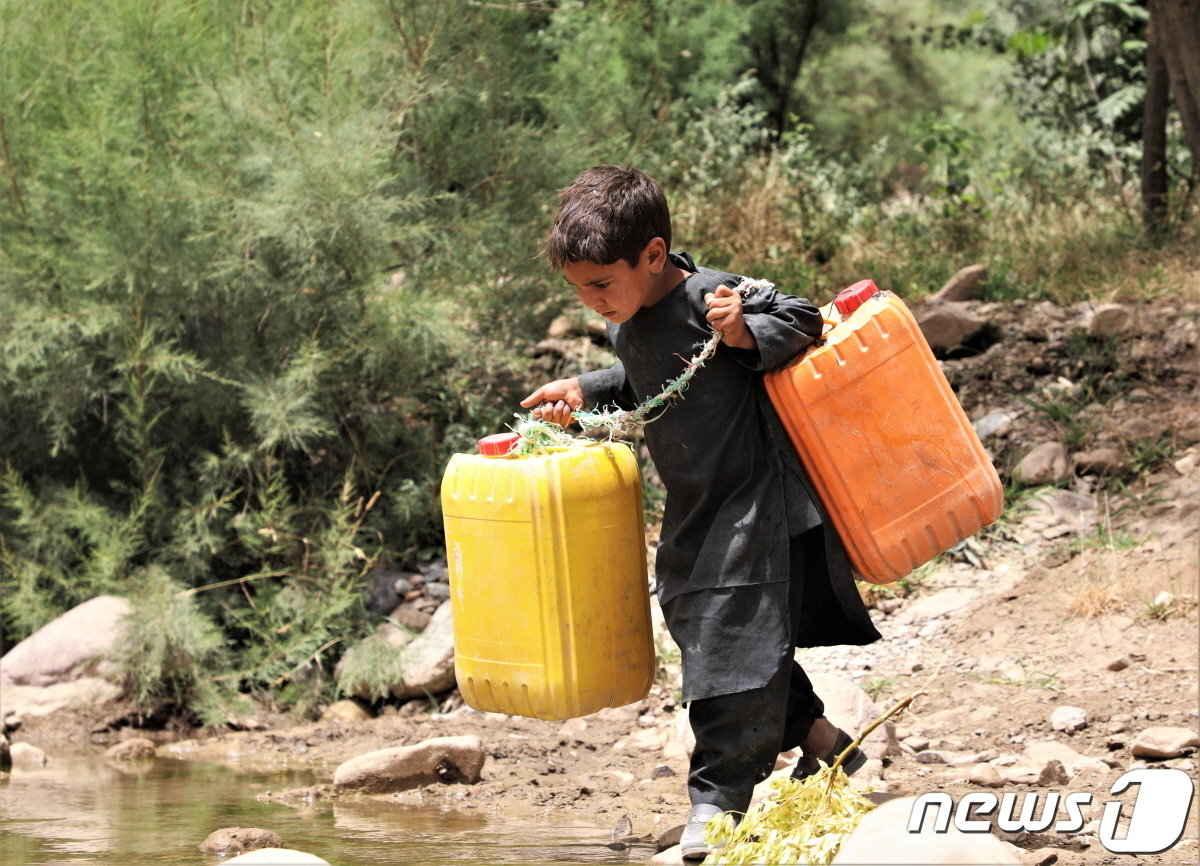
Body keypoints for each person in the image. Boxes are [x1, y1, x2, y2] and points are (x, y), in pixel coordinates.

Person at [520, 165, 881, 861]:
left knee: (729, 646)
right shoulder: (632, 319)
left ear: (653, 255)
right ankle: (825, 745)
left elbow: (803, 316)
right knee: (697, 622)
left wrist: (745, 331)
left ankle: (716, 805)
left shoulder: (706, 293)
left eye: (601, 285)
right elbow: (645, 380)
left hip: (757, 501)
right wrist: (585, 389)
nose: (593, 303)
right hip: (700, 509)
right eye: (579, 291)